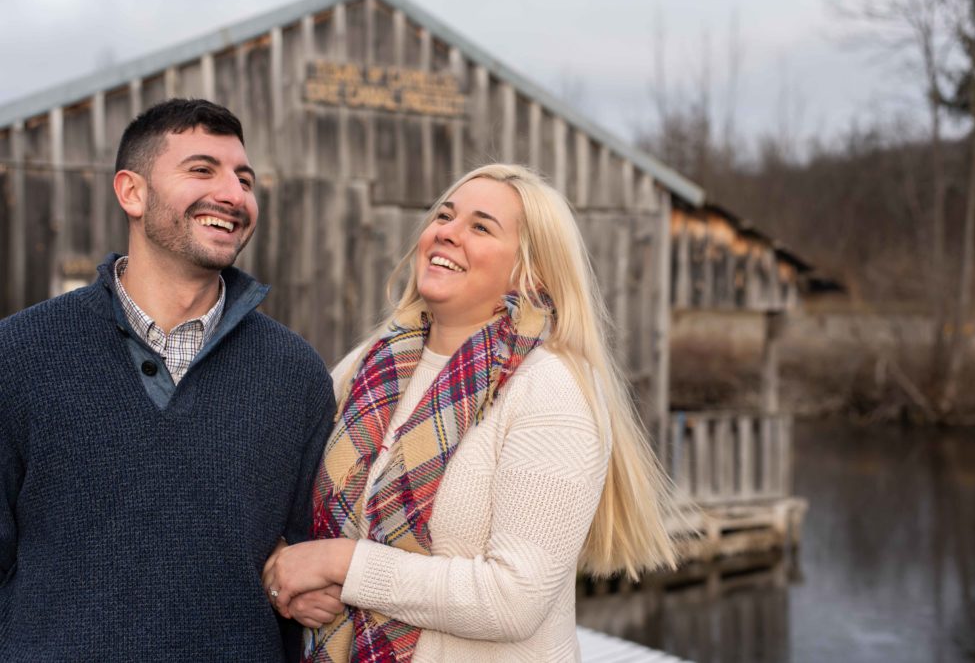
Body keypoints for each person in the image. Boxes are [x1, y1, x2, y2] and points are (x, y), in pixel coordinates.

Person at [262, 163, 676, 662]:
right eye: (444, 216)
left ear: (531, 271)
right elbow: (292, 522)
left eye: (480, 227)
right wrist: (285, 574)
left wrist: (342, 565)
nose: (446, 233)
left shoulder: (551, 387)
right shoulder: (367, 368)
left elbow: (512, 600)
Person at [0, 98, 335, 661]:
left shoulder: (295, 374)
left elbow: (304, 565)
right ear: (131, 192)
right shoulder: (19, 354)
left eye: (244, 178)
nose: (233, 194)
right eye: (202, 170)